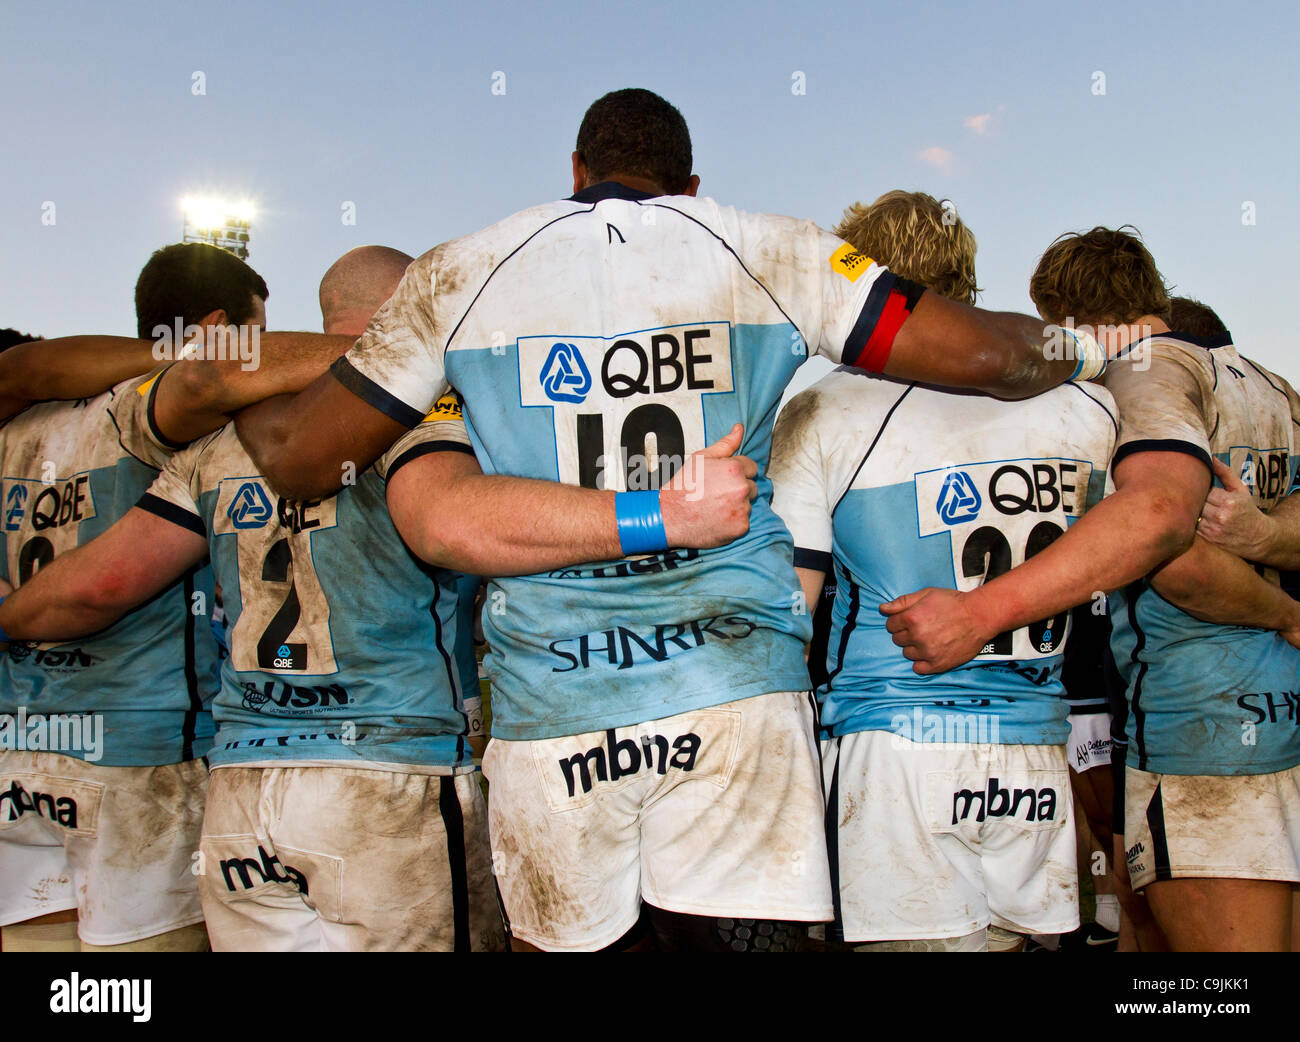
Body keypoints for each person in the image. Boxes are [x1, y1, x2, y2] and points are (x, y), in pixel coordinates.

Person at [233, 89, 1099, 952]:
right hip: (732, 693)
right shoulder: (775, 248)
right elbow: (999, 355)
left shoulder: (457, 274)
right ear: (691, 185)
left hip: (554, 703)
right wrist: (1096, 350)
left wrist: (371, 367)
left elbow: (303, 459)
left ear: (574, 171)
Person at [883, 229, 1300, 951]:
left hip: (1203, 731)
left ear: (1069, 316)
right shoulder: (1268, 383)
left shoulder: (1142, 376)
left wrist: (1286, 609)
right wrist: (1270, 548)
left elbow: (1169, 545)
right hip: (1281, 715)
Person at [768, 190, 1115, 951]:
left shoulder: (824, 411)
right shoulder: (1089, 411)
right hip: (1034, 750)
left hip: (892, 752)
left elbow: (789, 610)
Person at [0, 242, 270, 952]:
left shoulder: (15, 430)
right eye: (258, 331)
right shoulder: (143, 414)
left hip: (22, 744)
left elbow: (22, 370)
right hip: (138, 750)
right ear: (219, 329)